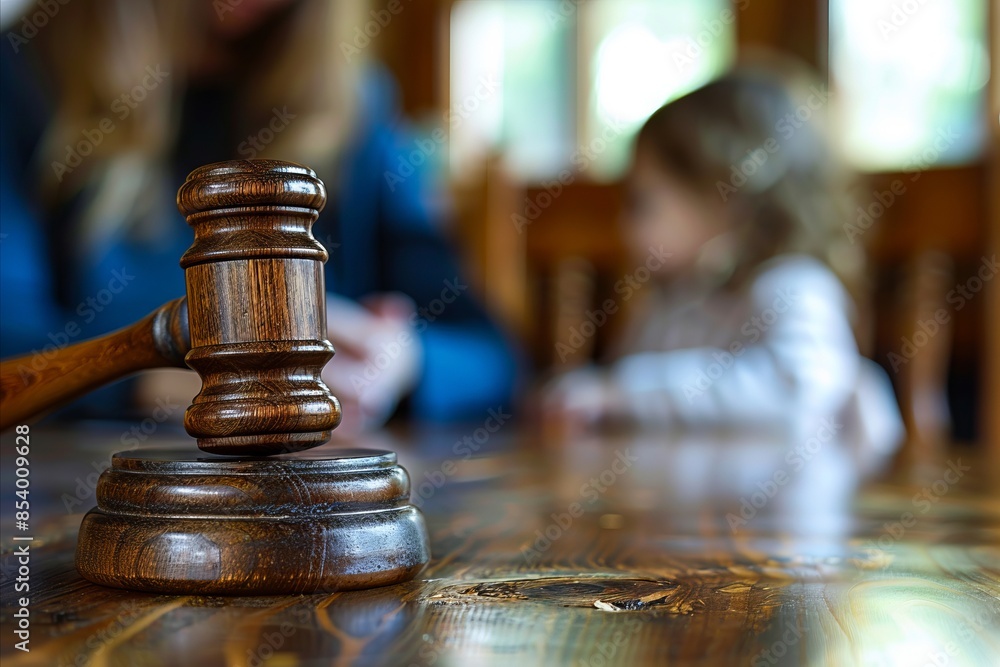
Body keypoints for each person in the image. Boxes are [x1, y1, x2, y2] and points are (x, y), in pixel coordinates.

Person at [0, 0, 518, 432]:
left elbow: (488, 355)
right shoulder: (24, 72)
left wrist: (399, 360)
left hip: (311, 496)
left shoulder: (355, 106)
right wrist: (170, 381)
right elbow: (13, 349)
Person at [543, 55, 902, 472]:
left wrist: (620, 394)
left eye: (643, 202)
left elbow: (797, 392)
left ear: (725, 197)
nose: (624, 226)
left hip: (778, 527)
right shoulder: (670, 305)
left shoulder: (794, 286)